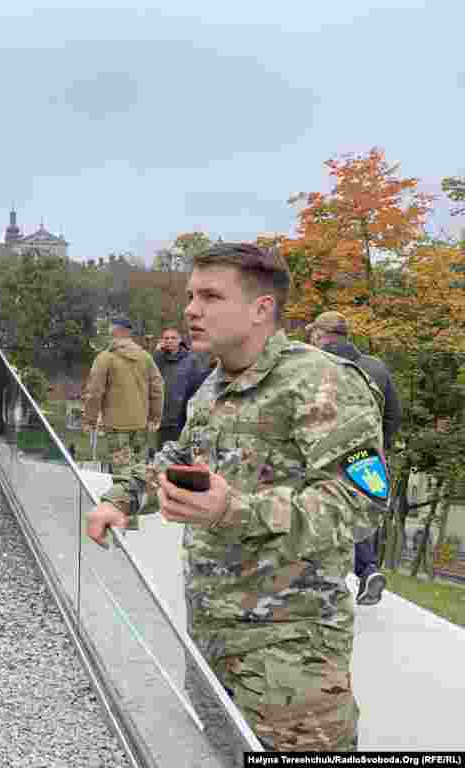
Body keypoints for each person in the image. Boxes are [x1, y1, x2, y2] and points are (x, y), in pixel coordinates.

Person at [85, 243, 387, 751]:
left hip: (290, 657)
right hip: (211, 636)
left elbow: (361, 502)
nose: (191, 309)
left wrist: (234, 510)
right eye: (190, 295)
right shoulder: (216, 383)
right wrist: (125, 497)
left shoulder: (322, 382)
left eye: (210, 296)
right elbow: (181, 457)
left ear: (261, 309)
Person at [308, 310, 401, 606]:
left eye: (313, 333)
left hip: (323, 450)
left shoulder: (311, 364)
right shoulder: (377, 367)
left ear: (322, 335)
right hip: (367, 452)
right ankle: (368, 569)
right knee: (360, 510)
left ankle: (320, 581)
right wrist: (381, 449)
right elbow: (393, 414)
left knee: (318, 509)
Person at [82, 315, 164, 474]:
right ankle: (139, 498)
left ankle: (124, 499)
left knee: (122, 473)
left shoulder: (105, 357)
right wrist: (155, 417)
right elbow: (158, 388)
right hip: (141, 424)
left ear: (114, 330)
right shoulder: (146, 357)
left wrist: (89, 420)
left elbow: (94, 392)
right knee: (139, 470)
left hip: (115, 425)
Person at [153, 327, 210, 450]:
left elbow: (200, 386)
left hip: (182, 418)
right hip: (162, 418)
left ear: (180, 340)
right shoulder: (158, 359)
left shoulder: (191, 360)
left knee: (180, 455)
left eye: (173, 338)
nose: (169, 341)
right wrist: (157, 353)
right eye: (166, 338)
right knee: (161, 455)